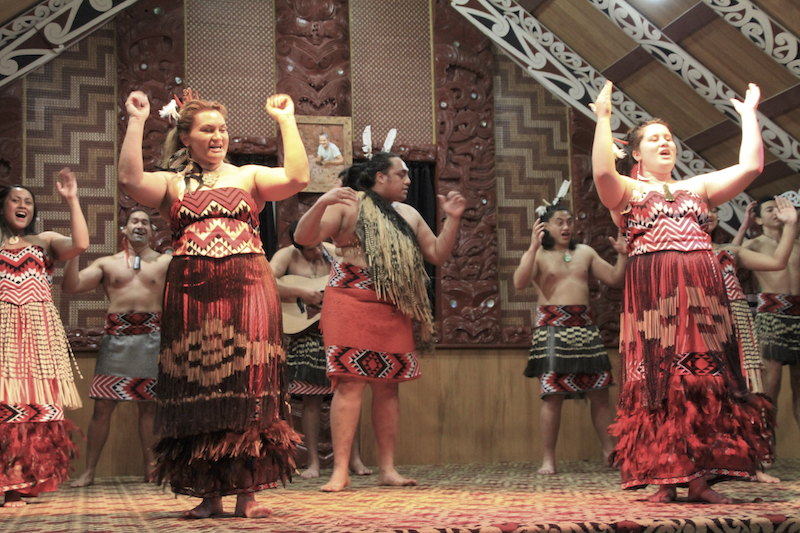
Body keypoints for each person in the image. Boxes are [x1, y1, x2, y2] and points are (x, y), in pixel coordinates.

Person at [117, 88, 309, 518]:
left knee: (249, 389)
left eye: (222, 129)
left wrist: (287, 121)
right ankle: (210, 496)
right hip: (192, 295)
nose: (218, 136)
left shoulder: (249, 176)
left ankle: (248, 494)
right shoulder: (172, 183)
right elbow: (130, 180)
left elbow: (297, 179)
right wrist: (136, 121)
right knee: (201, 387)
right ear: (186, 138)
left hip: (248, 291)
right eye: (207, 129)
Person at [591, 80, 770, 503]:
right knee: (660, 382)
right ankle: (666, 480)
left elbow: (751, 169)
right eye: (654, 138)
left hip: (703, 297)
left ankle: (700, 479)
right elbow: (602, 172)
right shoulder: (628, 192)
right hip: (655, 298)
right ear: (636, 153)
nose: (664, 143)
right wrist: (602, 119)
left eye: (669, 138)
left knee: (703, 377)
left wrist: (749, 117)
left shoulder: (699, 187)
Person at [294, 152, 465, 492]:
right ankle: (340, 470)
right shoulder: (348, 204)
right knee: (350, 384)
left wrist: (453, 220)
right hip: (349, 302)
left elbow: (436, 254)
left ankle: (387, 468)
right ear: (379, 177)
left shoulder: (409, 214)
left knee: (388, 387)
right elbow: (304, 237)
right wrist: (322, 202)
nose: (408, 181)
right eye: (401, 174)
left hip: (392, 305)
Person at [513, 204, 627, 475]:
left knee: (600, 394)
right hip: (552, 328)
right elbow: (519, 282)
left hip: (585, 328)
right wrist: (531, 247)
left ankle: (609, 451)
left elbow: (614, 278)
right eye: (559, 222)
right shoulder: (539, 255)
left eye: (569, 221)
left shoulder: (584, 252)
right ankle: (548, 459)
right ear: (545, 226)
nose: (566, 227)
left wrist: (623, 256)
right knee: (552, 395)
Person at [63, 209, 172, 488]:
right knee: (103, 407)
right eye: (134, 221)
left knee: (148, 408)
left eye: (145, 222)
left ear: (151, 231)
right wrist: (74, 252)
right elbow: (72, 286)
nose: (140, 225)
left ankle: (151, 468)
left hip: (151, 339)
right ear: (124, 229)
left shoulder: (164, 262)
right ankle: (88, 472)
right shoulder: (106, 264)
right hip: (116, 341)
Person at [0, 168, 89, 507]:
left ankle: (25, 479)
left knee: (33, 405)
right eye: (15, 200)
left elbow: (81, 243)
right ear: (3, 207)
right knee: (6, 401)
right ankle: (4, 481)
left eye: (28, 202)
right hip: (4, 332)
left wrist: (72, 199)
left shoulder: (46, 241)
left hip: (38, 334)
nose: (23, 206)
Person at [269, 221, 371, 479]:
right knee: (312, 399)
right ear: (297, 243)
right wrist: (301, 291)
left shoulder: (332, 250)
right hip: (306, 335)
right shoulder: (286, 255)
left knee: (349, 393)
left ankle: (354, 460)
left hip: (339, 330)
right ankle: (313, 462)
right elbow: (265, 281)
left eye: (317, 244)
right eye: (309, 248)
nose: (316, 251)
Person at [707, 199, 796, 484]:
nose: (707, 217)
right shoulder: (750, 245)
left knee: (753, 394)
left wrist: (792, 225)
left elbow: (737, 258)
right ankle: (756, 454)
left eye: (711, 213)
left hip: (749, 327)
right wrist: (745, 225)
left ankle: (749, 461)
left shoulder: (728, 252)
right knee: (761, 391)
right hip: (718, 328)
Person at [737, 196, 800, 433]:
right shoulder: (754, 245)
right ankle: (764, 441)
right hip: (771, 316)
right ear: (760, 219)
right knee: (770, 382)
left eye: (778, 208)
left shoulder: (796, 243)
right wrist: (744, 227)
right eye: (769, 210)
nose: (775, 213)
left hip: (798, 315)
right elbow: (728, 257)